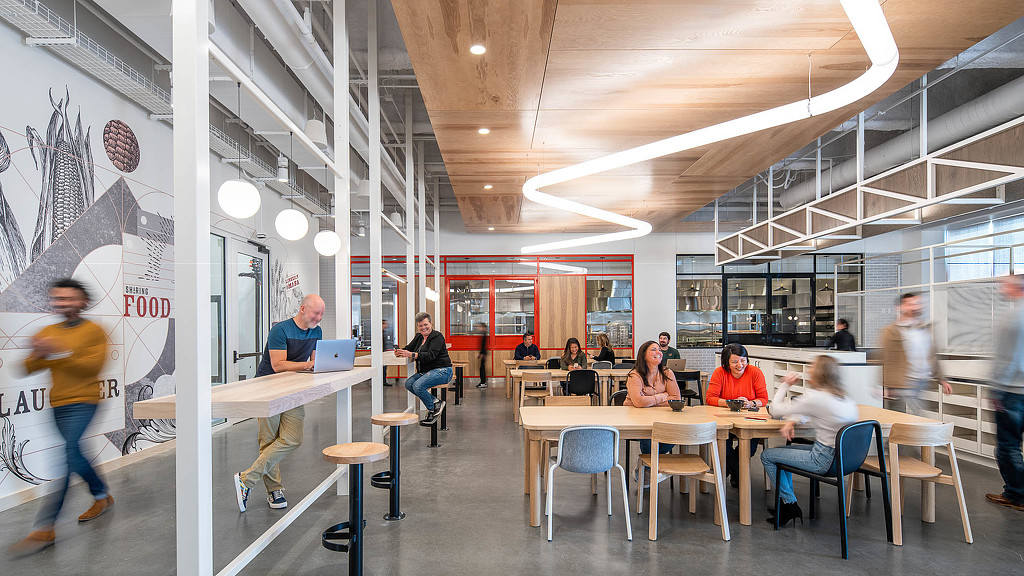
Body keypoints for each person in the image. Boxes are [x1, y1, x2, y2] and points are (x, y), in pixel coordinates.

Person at [8, 279, 110, 558]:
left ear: (82, 302)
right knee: (75, 453)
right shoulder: (48, 331)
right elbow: (28, 367)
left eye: (69, 299)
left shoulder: (95, 331)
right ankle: (102, 494)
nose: (62, 303)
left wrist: (58, 352)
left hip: (86, 402)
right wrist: (38, 352)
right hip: (59, 405)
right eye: (58, 299)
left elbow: (92, 367)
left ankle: (46, 526)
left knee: (67, 455)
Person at [233, 294, 325, 513]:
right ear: (303, 309)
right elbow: (277, 365)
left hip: (293, 389)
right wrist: (307, 365)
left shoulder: (317, 331)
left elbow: (314, 360)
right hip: (268, 388)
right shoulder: (280, 330)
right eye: (316, 313)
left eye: (321, 314)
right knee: (269, 439)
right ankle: (274, 490)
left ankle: (246, 479)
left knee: (293, 438)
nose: (319, 318)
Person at [761, 356, 859, 526]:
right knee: (785, 454)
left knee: (768, 456)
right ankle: (786, 506)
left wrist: (785, 384)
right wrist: (793, 420)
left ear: (820, 374)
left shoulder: (816, 397)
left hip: (823, 459)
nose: (808, 372)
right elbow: (811, 412)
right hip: (847, 460)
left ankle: (790, 504)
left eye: (812, 368)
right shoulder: (847, 399)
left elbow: (775, 411)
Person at [986, 274, 1024, 511]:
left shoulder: (1013, 317)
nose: (1001, 287)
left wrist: (996, 390)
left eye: (1004, 284)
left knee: (1009, 446)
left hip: (1012, 391)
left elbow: (1007, 359)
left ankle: (1016, 495)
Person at [707, 343, 770, 487]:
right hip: (724, 419)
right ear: (727, 362)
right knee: (725, 447)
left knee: (749, 448)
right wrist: (731, 403)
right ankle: (738, 475)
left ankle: (731, 470)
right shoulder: (720, 373)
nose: (740, 365)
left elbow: (763, 399)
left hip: (750, 419)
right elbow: (710, 398)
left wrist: (751, 403)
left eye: (743, 360)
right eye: (734, 361)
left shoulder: (755, 372)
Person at [880, 293, 952, 415]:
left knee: (915, 419)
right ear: (900, 307)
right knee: (905, 419)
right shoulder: (891, 331)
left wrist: (942, 379)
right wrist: (886, 385)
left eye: (917, 303)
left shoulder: (925, 329)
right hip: (901, 383)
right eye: (909, 304)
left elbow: (932, 356)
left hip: (921, 382)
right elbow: (887, 359)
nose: (914, 307)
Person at [625, 340, 682, 488]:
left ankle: (645, 462)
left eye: (659, 350)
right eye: (654, 350)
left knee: (676, 434)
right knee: (649, 434)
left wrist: (649, 400)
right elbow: (638, 402)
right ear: (644, 355)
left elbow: (676, 398)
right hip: (635, 419)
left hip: (663, 417)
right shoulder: (634, 375)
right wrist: (662, 396)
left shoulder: (668, 373)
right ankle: (648, 467)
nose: (659, 352)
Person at [395, 312, 453, 425]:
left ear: (430, 323)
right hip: (426, 372)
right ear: (417, 326)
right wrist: (400, 351)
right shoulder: (419, 337)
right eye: (420, 325)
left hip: (443, 371)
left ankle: (432, 409)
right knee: (409, 384)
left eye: (425, 324)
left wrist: (412, 354)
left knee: (418, 386)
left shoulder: (437, 336)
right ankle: (436, 403)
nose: (423, 327)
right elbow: (409, 348)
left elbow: (431, 356)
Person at [476, 321, 489, 389]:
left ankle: (483, 382)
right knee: (482, 368)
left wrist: (481, 353)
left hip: (484, 353)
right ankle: (483, 381)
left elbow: (483, 345)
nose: (479, 328)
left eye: (480, 327)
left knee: (482, 368)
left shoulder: (484, 335)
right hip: (483, 353)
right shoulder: (484, 334)